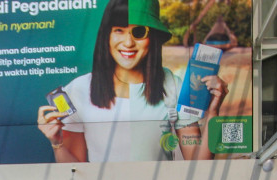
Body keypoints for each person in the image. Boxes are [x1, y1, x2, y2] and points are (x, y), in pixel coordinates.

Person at [37, 0, 228, 162]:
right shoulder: (78, 89)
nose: (128, 42)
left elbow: (197, 163)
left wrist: (213, 113)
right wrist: (56, 142)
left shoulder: (171, 84)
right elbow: (76, 170)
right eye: (119, 30)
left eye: (138, 32)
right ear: (107, 36)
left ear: (152, 37)